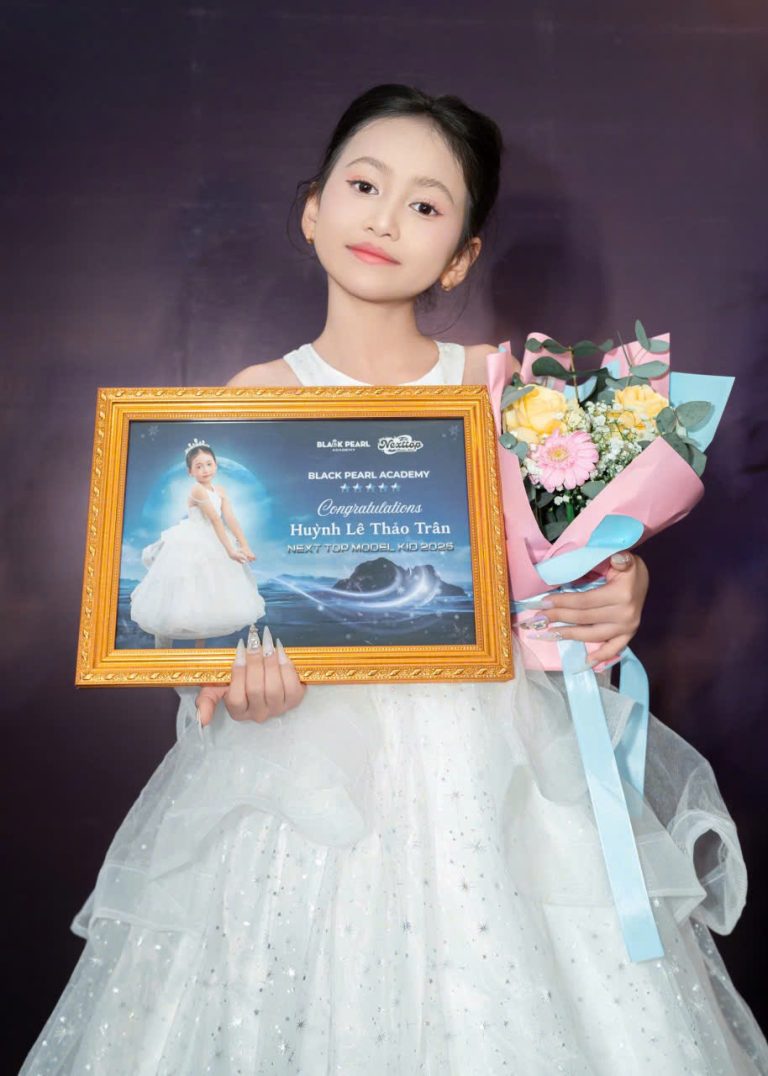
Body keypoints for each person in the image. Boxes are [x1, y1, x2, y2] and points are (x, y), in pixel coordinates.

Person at [20, 84, 767, 1074]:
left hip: (490, 759)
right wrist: (228, 682)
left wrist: (616, 576)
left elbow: (561, 555)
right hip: (303, 772)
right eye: (364, 185)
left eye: (425, 204)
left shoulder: (499, 386)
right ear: (313, 208)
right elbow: (204, 650)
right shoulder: (253, 398)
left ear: (459, 255)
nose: (384, 218)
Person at [129, 440, 266, 647]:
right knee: (179, 594)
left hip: (213, 541)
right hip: (193, 542)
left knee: (205, 600)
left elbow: (230, 518)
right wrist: (230, 550)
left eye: (209, 464)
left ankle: (198, 653)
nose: (205, 470)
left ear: (216, 465)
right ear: (190, 471)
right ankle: (163, 650)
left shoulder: (220, 490)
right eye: (198, 466)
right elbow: (215, 519)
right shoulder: (197, 490)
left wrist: (245, 545)